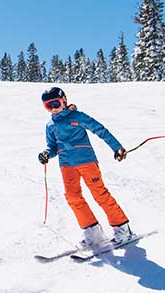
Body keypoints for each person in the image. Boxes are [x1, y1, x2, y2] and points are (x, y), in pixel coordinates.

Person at [36, 86, 133, 249]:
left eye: (56, 103)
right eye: (48, 106)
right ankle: (92, 233)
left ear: (64, 100)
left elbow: (100, 130)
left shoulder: (77, 116)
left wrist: (117, 148)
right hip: (66, 165)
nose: (53, 109)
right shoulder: (50, 125)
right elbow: (52, 146)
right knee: (73, 197)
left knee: (99, 193)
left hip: (86, 161)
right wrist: (46, 153)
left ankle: (123, 229)